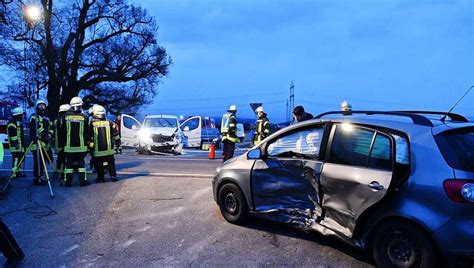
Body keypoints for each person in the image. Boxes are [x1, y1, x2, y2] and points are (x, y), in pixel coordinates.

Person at [60, 97, 89, 187]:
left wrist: (63, 144)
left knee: (69, 165)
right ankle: (83, 182)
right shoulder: (84, 117)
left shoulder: (64, 117)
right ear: (80, 106)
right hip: (81, 146)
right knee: (81, 165)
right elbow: (87, 132)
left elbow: (62, 132)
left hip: (68, 146)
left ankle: (68, 182)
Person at [87, 105, 120, 183]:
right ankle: (113, 176)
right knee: (111, 162)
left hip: (98, 150)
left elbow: (89, 135)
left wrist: (89, 146)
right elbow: (115, 134)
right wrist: (118, 143)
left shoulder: (92, 123)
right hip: (109, 148)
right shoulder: (109, 122)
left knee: (99, 164)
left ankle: (101, 178)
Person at [29, 100, 54, 186]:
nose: (42, 107)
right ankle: (37, 178)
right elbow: (35, 126)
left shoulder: (47, 117)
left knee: (44, 161)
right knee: (38, 161)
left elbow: (51, 127)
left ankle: (41, 176)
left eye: (43, 106)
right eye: (40, 106)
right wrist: (44, 135)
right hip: (37, 142)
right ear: (36, 107)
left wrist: (50, 135)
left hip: (46, 143)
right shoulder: (33, 117)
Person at [52, 104, 70, 181]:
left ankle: (58, 172)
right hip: (64, 143)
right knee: (65, 159)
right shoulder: (64, 120)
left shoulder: (56, 120)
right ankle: (63, 174)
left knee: (60, 158)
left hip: (57, 144)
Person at [7, 107, 26, 178]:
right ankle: (14, 173)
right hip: (15, 146)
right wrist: (16, 144)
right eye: (21, 115)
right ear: (17, 115)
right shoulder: (12, 123)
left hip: (20, 145)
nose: (22, 116)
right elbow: (13, 135)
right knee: (16, 158)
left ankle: (17, 172)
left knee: (20, 158)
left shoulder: (18, 122)